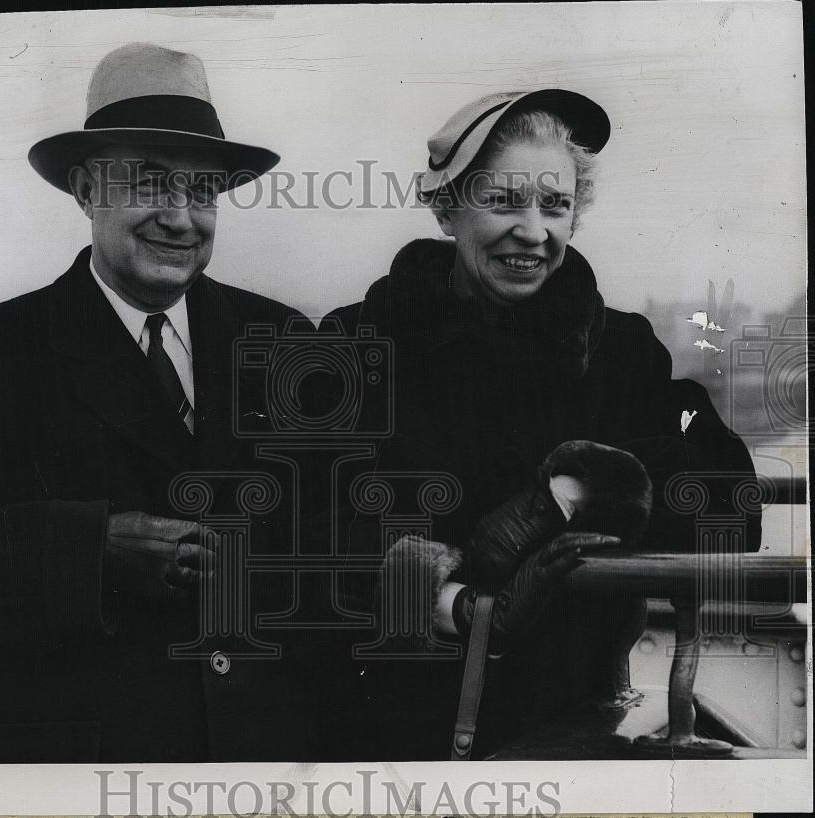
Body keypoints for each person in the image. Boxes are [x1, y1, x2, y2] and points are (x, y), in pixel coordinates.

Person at [0, 42, 323, 763]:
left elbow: (328, 554)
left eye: (203, 192)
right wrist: (90, 548)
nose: (181, 218)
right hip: (68, 779)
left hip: (259, 769)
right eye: (150, 183)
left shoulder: (286, 342)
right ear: (85, 190)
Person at [325, 89, 761, 760]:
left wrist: (574, 493)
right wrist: (467, 598)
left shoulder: (619, 351)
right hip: (394, 730)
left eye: (554, 205)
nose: (533, 231)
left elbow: (732, 501)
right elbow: (327, 531)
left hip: (575, 724)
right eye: (502, 201)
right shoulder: (357, 345)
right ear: (447, 210)